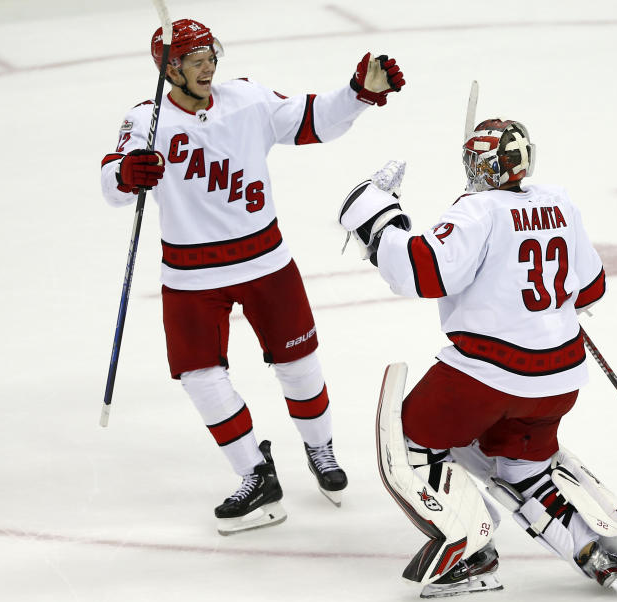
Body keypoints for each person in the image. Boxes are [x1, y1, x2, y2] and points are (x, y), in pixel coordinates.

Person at [100, 18, 405, 535]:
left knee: (300, 361)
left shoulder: (247, 99)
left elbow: (313, 120)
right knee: (199, 377)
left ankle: (319, 449)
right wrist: (127, 174)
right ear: (168, 68)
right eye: (194, 60)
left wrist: (358, 93)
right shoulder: (146, 120)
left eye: (209, 56)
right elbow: (112, 181)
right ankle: (254, 473)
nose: (207, 66)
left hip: (264, 260)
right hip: (191, 275)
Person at [338, 120, 617, 598]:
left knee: (409, 441)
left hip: (488, 376)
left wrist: (379, 220)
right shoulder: (559, 202)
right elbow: (591, 288)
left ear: (482, 165)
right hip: (559, 381)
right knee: (522, 467)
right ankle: (599, 552)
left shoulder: (476, 210)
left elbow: (420, 273)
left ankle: (469, 553)